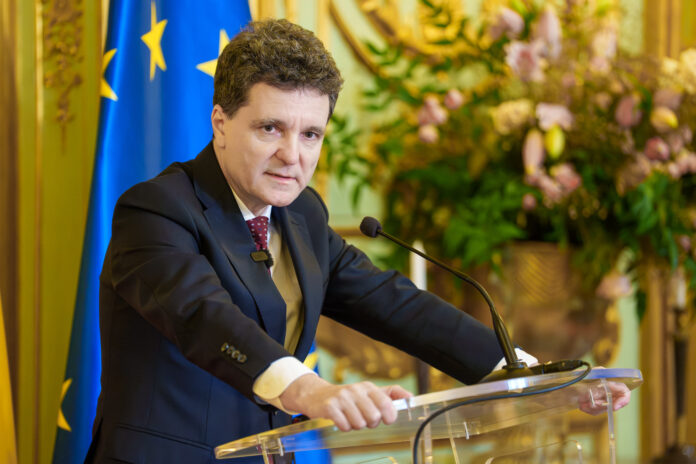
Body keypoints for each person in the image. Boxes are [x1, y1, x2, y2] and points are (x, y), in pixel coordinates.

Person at [86, 18, 629, 463]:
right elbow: (203, 317)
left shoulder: (302, 215)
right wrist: (312, 391)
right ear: (221, 122)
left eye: (311, 134)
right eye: (270, 128)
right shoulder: (156, 210)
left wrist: (530, 377)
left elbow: (395, 304)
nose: (292, 156)